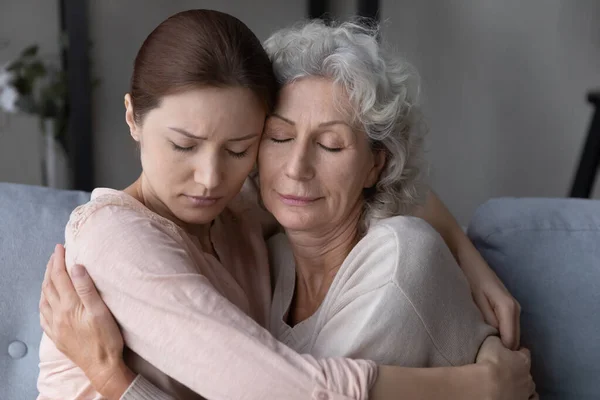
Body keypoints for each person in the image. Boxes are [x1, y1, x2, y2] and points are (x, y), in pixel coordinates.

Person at [38, 10, 535, 400]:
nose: (211, 178)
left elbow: (383, 192)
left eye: (238, 149)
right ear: (133, 118)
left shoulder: (232, 220)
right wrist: (479, 388)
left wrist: (469, 258)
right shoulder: (117, 238)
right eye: (184, 145)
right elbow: (280, 389)